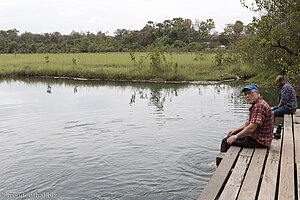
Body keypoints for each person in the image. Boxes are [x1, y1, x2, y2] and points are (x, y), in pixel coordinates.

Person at [220, 85, 274, 152]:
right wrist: (235, 131)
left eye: (250, 93)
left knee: (226, 141)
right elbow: (249, 124)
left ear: (257, 93)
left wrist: (235, 137)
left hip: (260, 141)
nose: (247, 96)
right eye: (245, 94)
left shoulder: (259, 106)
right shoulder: (258, 103)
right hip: (258, 137)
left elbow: (251, 128)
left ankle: (222, 161)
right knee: (232, 135)